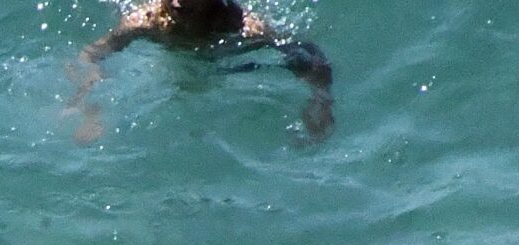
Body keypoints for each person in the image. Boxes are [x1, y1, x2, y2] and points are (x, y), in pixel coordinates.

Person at [67, 0, 333, 143]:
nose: (178, 3)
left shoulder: (243, 27)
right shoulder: (148, 20)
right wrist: (86, 102)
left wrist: (320, 101)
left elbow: (310, 57)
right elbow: (90, 55)